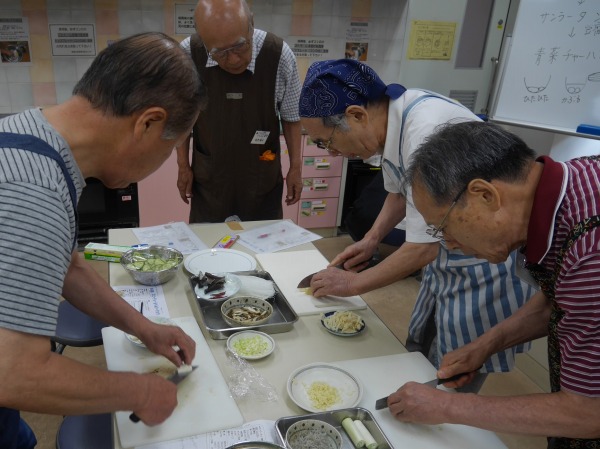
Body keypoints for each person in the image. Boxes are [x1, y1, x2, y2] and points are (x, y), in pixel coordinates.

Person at [0, 31, 205, 447]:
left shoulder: (31, 136)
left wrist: (144, 328)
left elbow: (68, 268)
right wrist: (139, 392)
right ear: (148, 123)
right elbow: (14, 371)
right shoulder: (33, 191)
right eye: (171, 149)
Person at [299, 59, 535, 391]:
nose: (331, 153)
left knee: (454, 369)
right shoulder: (392, 122)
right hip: (448, 255)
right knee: (422, 346)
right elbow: (399, 190)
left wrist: (353, 284)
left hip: (482, 262)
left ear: (356, 115)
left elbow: (423, 248)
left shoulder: (424, 130)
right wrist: (372, 239)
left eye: (326, 141)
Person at [394, 120, 600, 447]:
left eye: (442, 227)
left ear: (485, 195)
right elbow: (558, 301)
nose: (449, 243)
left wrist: (447, 406)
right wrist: (486, 345)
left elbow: (588, 412)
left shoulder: (591, 253)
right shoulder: (570, 188)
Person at [176, 0, 303, 223]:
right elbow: (181, 119)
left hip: (261, 174)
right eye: (220, 53)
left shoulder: (278, 55)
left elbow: (292, 118)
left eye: (240, 46)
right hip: (211, 178)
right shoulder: (188, 54)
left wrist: (296, 168)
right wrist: (183, 165)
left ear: (251, 24)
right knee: (209, 242)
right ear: (204, 42)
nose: (233, 59)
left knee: (264, 241)